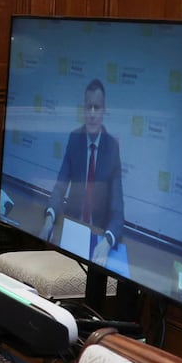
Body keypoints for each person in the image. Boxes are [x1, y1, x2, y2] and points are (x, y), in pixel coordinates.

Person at [40, 77, 125, 263]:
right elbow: (60, 187)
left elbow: (118, 212)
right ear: (83, 109)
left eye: (97, 107)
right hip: (71, 225)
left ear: (104, 111)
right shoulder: (75, 139)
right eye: (89, 107)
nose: (92, 114)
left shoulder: (112, 148)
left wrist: (107, 242)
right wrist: (49, 219)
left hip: (97, 233)